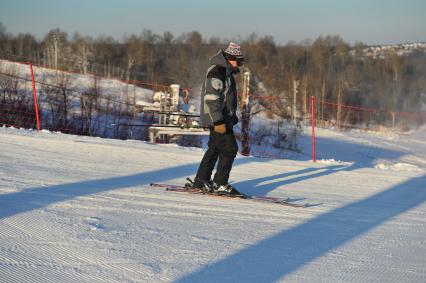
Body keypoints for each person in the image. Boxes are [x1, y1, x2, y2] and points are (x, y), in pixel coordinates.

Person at [191, 42, 244, 196]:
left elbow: (226, 98)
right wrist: (219, 121)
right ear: (229, 58)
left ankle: (201, 180)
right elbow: (212, 98)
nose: (239, 64)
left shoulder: (225, 71)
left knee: (215, 148)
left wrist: (231, 117)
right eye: (238, 61)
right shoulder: (218, 71)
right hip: (217, 119)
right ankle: (220, 183)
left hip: (221, 118)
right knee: (230, 148)